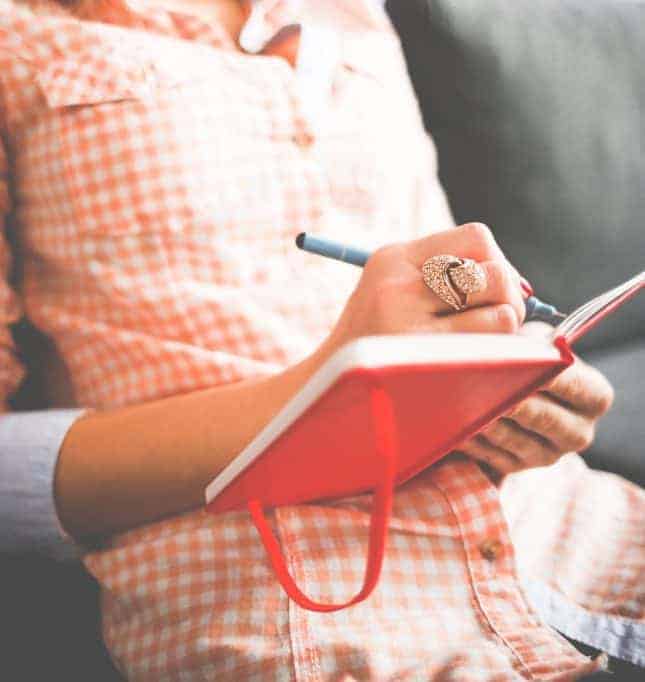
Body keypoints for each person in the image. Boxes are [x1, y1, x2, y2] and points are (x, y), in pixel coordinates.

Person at [0, 0, 642, 679]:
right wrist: (326, 397)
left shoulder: (353, 14)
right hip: (307, 599)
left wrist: (513, 369)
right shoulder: (22, 32)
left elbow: (441, 277)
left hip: (556, 527)